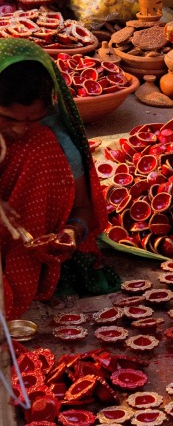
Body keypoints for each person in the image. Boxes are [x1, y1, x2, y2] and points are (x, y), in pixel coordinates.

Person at [0, 38, 120, 320]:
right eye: (7, 118)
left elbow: (83, 210)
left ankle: (24, 270)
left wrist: (71, 233)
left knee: (40, 146)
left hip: (23, 250)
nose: (19, 129)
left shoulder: (49, 140)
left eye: (33, 119)